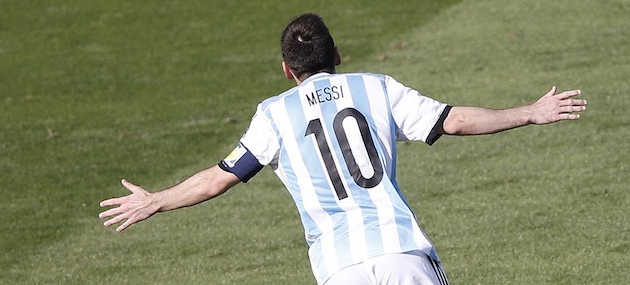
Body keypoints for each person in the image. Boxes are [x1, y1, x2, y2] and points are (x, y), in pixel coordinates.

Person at [99, 13, 586, 285]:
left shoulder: (273, 115)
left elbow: (218, 178)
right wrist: (531, 111)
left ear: (287, 70)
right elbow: (452, 121)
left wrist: (156, 200)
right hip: (401, 253)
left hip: (338, 268)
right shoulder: (374, 88)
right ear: (337, 55)